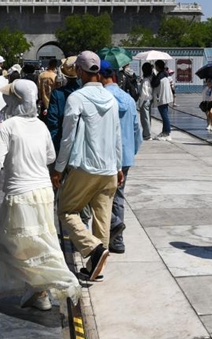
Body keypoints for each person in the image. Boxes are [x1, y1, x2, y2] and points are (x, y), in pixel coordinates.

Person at [0, 79, 81, 311]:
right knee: (41, 242)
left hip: (20, 194)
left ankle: (60, 281)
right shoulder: (40, 125)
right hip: (43, 192)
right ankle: (38, 291)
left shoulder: (8, 126)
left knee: (9, 243)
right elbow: (51, 157)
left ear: (17, 100)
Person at [51, 51, 122, 281]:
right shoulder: (111, 98)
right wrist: (119, 166)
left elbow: (68, 137)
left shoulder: (77, 98)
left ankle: (93, 249)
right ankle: (95, 268)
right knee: (102, 218)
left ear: (80, 71)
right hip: (109, 167)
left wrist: (59, 168)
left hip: (84, 166)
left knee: (66, 210)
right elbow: (117, 135)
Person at [101, 60, 142, 255]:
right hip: (124, 157)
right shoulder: (128, 99)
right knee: (118, 196)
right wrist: (130, 153)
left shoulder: (102, 98)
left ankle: (113, 226)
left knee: (96, 194)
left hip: (105, 155)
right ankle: (117, 241)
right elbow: (137, 131)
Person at [46, 56, 80, 152]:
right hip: (81, 143)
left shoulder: (57, 93)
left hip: (60, 139)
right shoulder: (84, 92)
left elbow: (52, 120)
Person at [151, 60, 173, 140]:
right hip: (165, 97)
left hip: (162, 98)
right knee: (164, 115)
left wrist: (153, 76)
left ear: (158, 66)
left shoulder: (160, 75)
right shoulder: (164, 74)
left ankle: (167, 133)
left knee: (164, 115)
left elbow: (154, 83)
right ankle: (164, 131)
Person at [137, 62, 154, 140]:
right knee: (148, 117)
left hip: (145, 100)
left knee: (145, 118)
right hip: (150, 100)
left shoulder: (145, 81)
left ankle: (147, 134)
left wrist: (140, 103)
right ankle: (147, 133)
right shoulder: (151, 79)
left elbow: (144, 93)